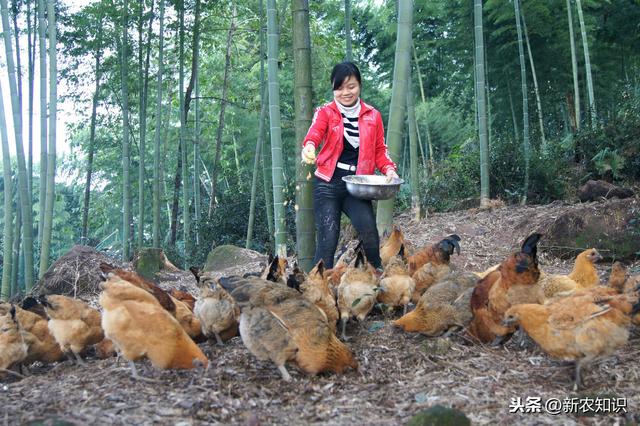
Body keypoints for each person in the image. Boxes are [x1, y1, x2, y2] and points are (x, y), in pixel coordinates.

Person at [301, 61, 398, 272]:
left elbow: (380, 150)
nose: (346, 92)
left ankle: (377, 280)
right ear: (333, 88)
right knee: (328, 239)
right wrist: (309, 146)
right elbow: (315, 133)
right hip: (327, 183)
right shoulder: (325, 112)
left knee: (369, 233)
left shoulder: (373, 115)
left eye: (351, 86)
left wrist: (389, 169)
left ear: (360, 86)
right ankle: (316, 288)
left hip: (357, 185)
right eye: (340, 87)